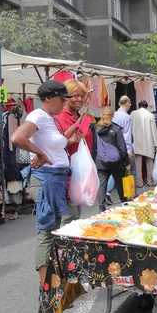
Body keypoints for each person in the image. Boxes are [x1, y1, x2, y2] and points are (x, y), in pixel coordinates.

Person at [10, 80, 81, 284]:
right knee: (47, 230)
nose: (63, 103)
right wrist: (40, 153)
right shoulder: (38, 116)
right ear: (48, 98)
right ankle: (47, 283)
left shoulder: (49, 118)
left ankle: (55, 278)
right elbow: (17, 137)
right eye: (61, 99)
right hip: (47, 179)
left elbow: (53, 144)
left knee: (56, 228)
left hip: (57, 178)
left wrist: (69, 138)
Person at [51, 79, 93, 226]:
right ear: (65, 97)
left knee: (75, 215)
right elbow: (53, 145)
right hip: (66, 173)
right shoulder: (59, 117)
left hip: (79, 172)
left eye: (82, 96)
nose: (80, 99)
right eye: (75, 96)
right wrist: (70, 141)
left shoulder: (79, 116)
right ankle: (64, 248)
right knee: (69, 217)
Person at [93, 107, 130, 212]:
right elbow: (122, 147)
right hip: (116, 162)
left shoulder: (96, 128)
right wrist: (126, 162)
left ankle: (101, 208)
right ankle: (124, 203)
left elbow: (94, 145)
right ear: (112, 116)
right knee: (119, 184)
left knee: (102, 185)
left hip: (101, 161)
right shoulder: (116, 129)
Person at [131, 100, 157, 187]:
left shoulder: (133, 114)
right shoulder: (150, 115)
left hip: (136, 141)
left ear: (138, 106)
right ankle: (149, 181)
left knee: (138, 163)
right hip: (148, 141)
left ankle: (139, 182)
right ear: (147, 107)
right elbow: (154, 131)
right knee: (149, 162)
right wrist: (156, 144)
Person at [112, 95, 135, 191]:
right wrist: (128, 150)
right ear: (127, 104)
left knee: (116, 169)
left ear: (118, 104)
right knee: (131, 169)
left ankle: (108, 191)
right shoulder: (126, 117)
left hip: (114, 145)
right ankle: (131, 191)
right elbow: (127, 135)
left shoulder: (113, 115)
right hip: (124, 146)